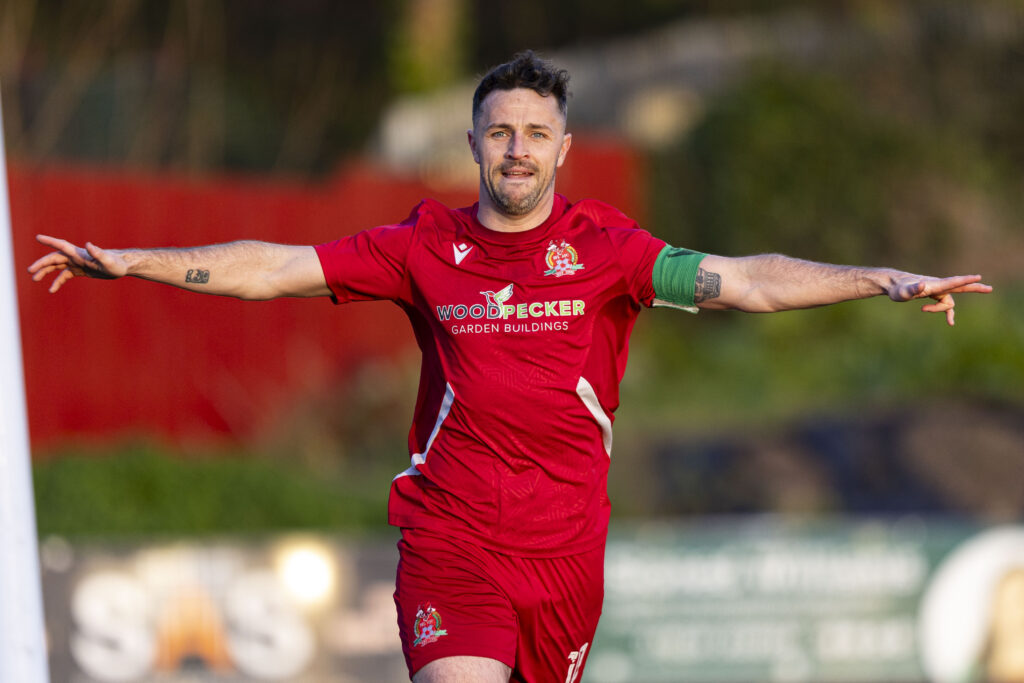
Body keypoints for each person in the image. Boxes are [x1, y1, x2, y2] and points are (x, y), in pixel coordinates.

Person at [29, 50, 992, 683]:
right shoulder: (421, 246)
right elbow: (278, 268)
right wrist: (135, 263)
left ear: (564, 149)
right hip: (454, 541)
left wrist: (877, 277)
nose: (517, 150)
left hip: (566, 557)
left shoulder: (611, 249)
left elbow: (745, 281)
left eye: (535, 134)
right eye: (500, 132)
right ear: (474, 145)